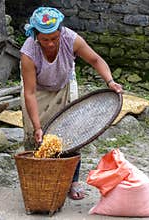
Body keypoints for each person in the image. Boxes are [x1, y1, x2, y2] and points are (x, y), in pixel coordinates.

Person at [20, 6, 122, 200]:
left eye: (54, 38)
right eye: (45, 40)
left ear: (61, 31)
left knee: (72, 134)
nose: (50, 44)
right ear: (35, 36)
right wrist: (37, 126)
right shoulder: (28, 53)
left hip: (64, 86)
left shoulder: (71, 39)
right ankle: (43, 179)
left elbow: (95, 59)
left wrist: (110, 81)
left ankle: (72, 181)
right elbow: (30, 93)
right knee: (38, 139)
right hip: (38, 92)